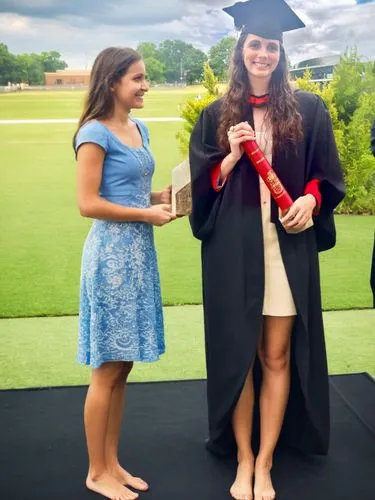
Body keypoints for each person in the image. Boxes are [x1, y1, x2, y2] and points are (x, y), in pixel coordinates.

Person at [189, 1, 346, 499]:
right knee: (241, 354)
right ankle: (242, 457)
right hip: (234, 249)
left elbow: (327, 177)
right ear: (241, 51)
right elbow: (201, 188)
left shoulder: (308, 109)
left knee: (275, 355)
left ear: (281, 54)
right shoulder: (218, 114)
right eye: (254, 44)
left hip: (286, 248)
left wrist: (309, 198)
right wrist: (232, 157)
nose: (262, 53)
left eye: (271, 46)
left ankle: (265, 462)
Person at [73, 47, 174, 500]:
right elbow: (88, 203)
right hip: (111, 258)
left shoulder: (139, 127)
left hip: (138, 256)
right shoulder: (94, 133)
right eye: (137, 78)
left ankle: (112, 463)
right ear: (112, 81)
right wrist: (146, 214)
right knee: (106, 367)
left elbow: (130, 189)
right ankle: (96, 472)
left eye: (145, 77)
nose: (145, 85)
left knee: (124, 365)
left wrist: (160, 196)